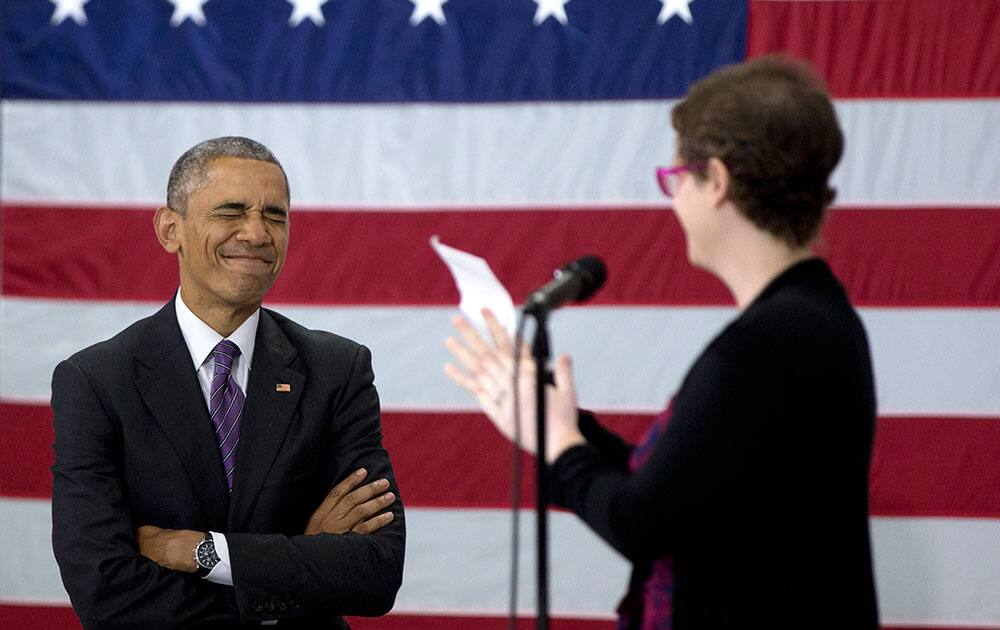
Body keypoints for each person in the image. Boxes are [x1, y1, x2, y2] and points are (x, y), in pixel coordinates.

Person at [445, 57, 879, 629]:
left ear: (717, 182)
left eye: (676, 180)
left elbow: (643, 521)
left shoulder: (772, 343)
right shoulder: (810, 319)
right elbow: (682, 489)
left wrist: (559, 445)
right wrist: (563, 424)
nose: (672, 201)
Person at [51, 136, 405, 629]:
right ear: (169, 228)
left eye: (275, 216)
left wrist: (201, 553)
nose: (257, 233)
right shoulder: (95, 382)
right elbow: (105, 590)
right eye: (231, 211)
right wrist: (299, 560)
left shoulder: (338, 370)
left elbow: (376, 572)